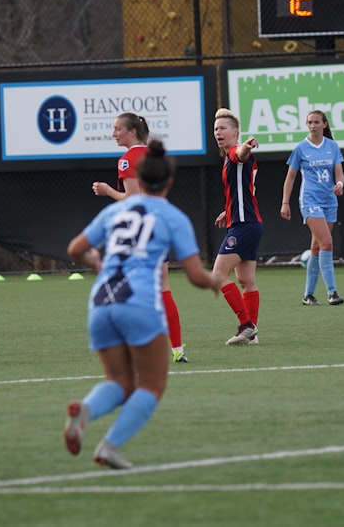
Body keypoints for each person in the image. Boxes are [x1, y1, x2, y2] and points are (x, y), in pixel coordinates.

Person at [65, 140, 219, 469]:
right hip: (138, 302)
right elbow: (194, 275)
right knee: (151, 385)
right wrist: (214, 281)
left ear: (138, 178)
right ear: (169, 182)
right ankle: (108, 446)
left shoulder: (114, 210)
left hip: (101, 301)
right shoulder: (172, 216)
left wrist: (95, 261)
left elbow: (75, 248)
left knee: (120, 383)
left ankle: (86, 411)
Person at [91, 113, 188, 363]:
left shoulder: (127, 160)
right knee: (163, 288)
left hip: (139, 231)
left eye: (117, 129)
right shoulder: (158, 157)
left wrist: (108, 191)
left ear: (132, 132)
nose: (114, 133)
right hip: (161, 226)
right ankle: (177, 348)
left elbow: (133, 199)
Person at [281, 110, 344, 306]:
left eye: (317, 122)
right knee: (327, 242)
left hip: (329, 201)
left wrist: (340, 185)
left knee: (317, 247)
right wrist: (285, 202)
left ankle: (308, 295)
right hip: (310, 201)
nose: (313, 125)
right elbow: (290, 177)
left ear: (324, 124)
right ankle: (332, 292)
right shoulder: (301, 148)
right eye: (310, 122)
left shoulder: (332, 147)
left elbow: (339, 174)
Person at [211, 108, 262, 345]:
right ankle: (252, 334)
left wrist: (247, 146)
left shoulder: (235, 151)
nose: (217, 132)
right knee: (246, 281)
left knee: (218, 274)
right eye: (215, 129)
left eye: (222, 128)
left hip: (243, 226)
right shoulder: (228, 157)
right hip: (249, 223)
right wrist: (227, 210)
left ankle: (246, 325)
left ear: (236, 132)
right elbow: (243, 190)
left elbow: (239, 154)